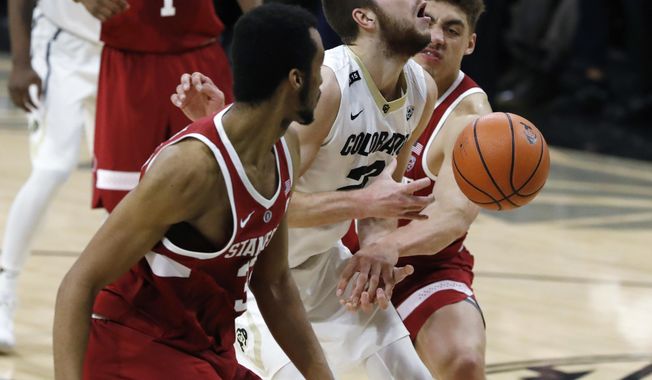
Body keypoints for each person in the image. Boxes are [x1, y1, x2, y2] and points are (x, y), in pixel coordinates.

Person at [53, 4, 334, 379]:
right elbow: (78, 282)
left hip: (208, 348)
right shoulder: (190, 169)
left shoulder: (286, 151)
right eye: (319, 69)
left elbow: (275, 283)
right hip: (137, 345)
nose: (323, 81)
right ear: (296, 79)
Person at [173, 0, 439, 377]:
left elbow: (384, 195)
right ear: (364, 18)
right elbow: (261, 203)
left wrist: (379, 251)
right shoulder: (327, 87)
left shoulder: (421, 90)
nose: (421, 0)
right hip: (253, 276)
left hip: (324, 267)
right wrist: (362, 202)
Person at [343, 0, 491, 378]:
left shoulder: (469, 117)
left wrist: (386, 248)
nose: (437, 38)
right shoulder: (359, 73)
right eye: (430, 22)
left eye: (453, 30)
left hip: (422, 265)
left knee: (463, 362)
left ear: (470, 43)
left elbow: (452, 217)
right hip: (334, 248)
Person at [1, 0, 101, 352]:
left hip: (122, 53)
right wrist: (21, 61)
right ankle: (5, 291)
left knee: (124, 181)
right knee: (53, 167)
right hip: (61, 46)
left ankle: (126, 302)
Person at [76, 0, 238, 212]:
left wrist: (260, 22)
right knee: (123, 196)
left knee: (219, 190)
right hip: (129, 57)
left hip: (199, 54)